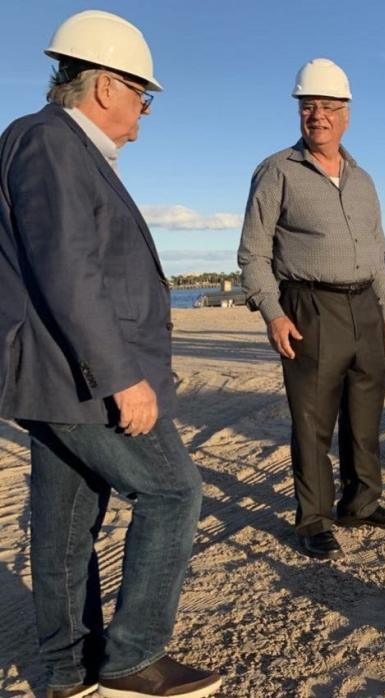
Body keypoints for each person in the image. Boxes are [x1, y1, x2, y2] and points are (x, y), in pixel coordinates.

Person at [0, 11, 221, 698]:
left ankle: (68, 675)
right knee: (174, 491)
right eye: (140, 96)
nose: (143, 112)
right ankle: (131, 660)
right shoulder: (49, 143)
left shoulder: (54, 143)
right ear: (103, 87)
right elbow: (69, 269)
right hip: (77, 375)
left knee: (65, 526)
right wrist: (121, 376)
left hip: (58, 375)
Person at [238, 58, 385, 563]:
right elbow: (253, 253)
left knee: (364, 415)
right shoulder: (276, 171)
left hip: (365, 308)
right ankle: (313, 518)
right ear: (299, 111)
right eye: (309, 107)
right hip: (309, 305)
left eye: (329, 107)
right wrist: (272, 312)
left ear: (346, 113)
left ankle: (361, 503)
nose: (319, 116)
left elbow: (377, 250)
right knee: (312, 419)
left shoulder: (363, 179)